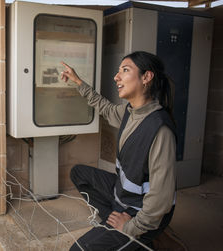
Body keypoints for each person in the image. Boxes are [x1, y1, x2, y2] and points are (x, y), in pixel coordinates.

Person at [61, 51, 176, 250]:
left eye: (125, 70)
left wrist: (131, 227)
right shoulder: (128, 112)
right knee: (79, 173)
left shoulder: (159, 130)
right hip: (123, 195)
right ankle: (114, 221)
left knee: (78, 249)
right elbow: (104, 107)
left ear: (146, 77)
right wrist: (78, 81)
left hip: (141, 209)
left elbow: (161, 199)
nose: (116, 77)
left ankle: (136, 235)